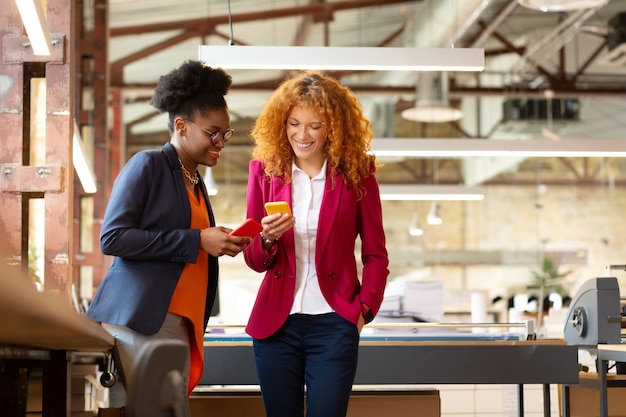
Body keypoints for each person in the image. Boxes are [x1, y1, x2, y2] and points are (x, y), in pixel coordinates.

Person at [87, 60, 250, 398]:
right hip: (145, 318)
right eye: (213, 132)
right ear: (181, 126)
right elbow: (112, 237)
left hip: (180, 322)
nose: (221, 142)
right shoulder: (149, 165)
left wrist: (218, 240)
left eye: (226, 133)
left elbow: (190, 243)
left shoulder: (196, 183)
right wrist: (197, 239)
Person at [243, 70, 390, 417]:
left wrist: (364, 310)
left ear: (333, 128)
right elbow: (253, 258)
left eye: (314, 125)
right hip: (276, 325)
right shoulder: (264, 173)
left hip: (334, 323)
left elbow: (375, 253)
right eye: (294, 123)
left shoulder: (358, 174)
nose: (302, 134)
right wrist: (267, 238)